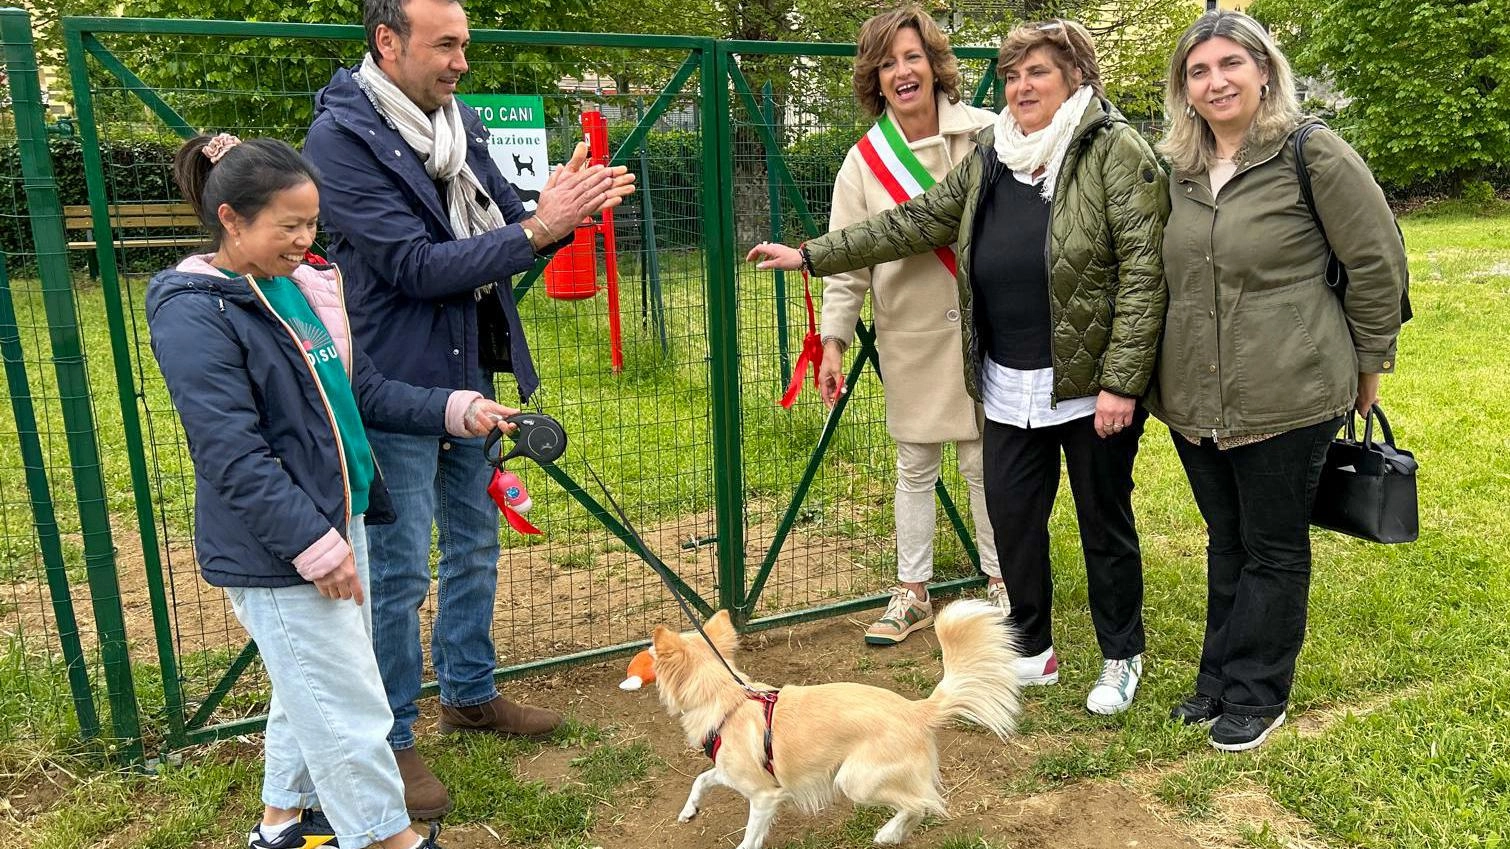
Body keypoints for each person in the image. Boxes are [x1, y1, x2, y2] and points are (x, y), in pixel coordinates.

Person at [749, 19, 1167, 715]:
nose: (1022, 86)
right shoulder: (995, 153)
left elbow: (1145, 273)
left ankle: (1120, 653)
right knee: (1013, 522)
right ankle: (1032, 650)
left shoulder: (1110, 148)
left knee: (1104, 523)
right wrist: (812, 255)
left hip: (1089, 381)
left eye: (1038, 72)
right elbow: (913, 221)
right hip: (1008, 382)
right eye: (1012, 75)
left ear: (1074, 78)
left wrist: (1123, 381)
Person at [302, 0, 635, 818]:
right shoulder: (339, 140)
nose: (461, 62)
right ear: (387, 41)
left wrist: (554, 208)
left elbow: (506, 214)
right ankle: (390, 734)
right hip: (395, 383)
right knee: (401, 566)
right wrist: (538, 228)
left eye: (466, 46)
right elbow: (413, 265)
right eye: (445, 45)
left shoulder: (458, 122)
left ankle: (470, 691)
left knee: (476, 546)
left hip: (470, 369)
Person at [149, 134, 520, 849]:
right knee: (346, 697)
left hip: (336, 514)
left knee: (308, 683)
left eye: (312, 221)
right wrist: (319, 550)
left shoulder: (301, 286)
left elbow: (362, 389)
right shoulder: (197, 310)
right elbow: (233, 453)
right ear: (230, 219)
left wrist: (456, 408)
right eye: (287, 224)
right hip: (281, 545)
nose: (305, 237)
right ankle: (387, 836)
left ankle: (282, 822)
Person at [1149, 11, 1406, 751]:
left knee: (1273, 544)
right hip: (1195, 399)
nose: (1215, 80)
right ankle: (1217, 680)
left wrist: (1369, 366)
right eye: (1198, 70)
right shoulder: (1183, 168)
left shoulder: (1311, 153)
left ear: (1264, 71)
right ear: (1183, 89)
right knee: (1226, 539)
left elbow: (1378, 263)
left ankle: (1259, 693)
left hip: (1288, 392)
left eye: (1231, 63)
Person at [818, 5, 1002, 646]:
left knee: (986, 463)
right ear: (874, 77)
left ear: (934, 64)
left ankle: (1001, 582)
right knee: (915, 466)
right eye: (888, 62)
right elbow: (846, 258)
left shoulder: (988, 133)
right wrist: (833, 342)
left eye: (912, 57)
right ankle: (912, 591)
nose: (902, 71)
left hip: (989, 329)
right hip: (914, 335)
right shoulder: (865, 161)